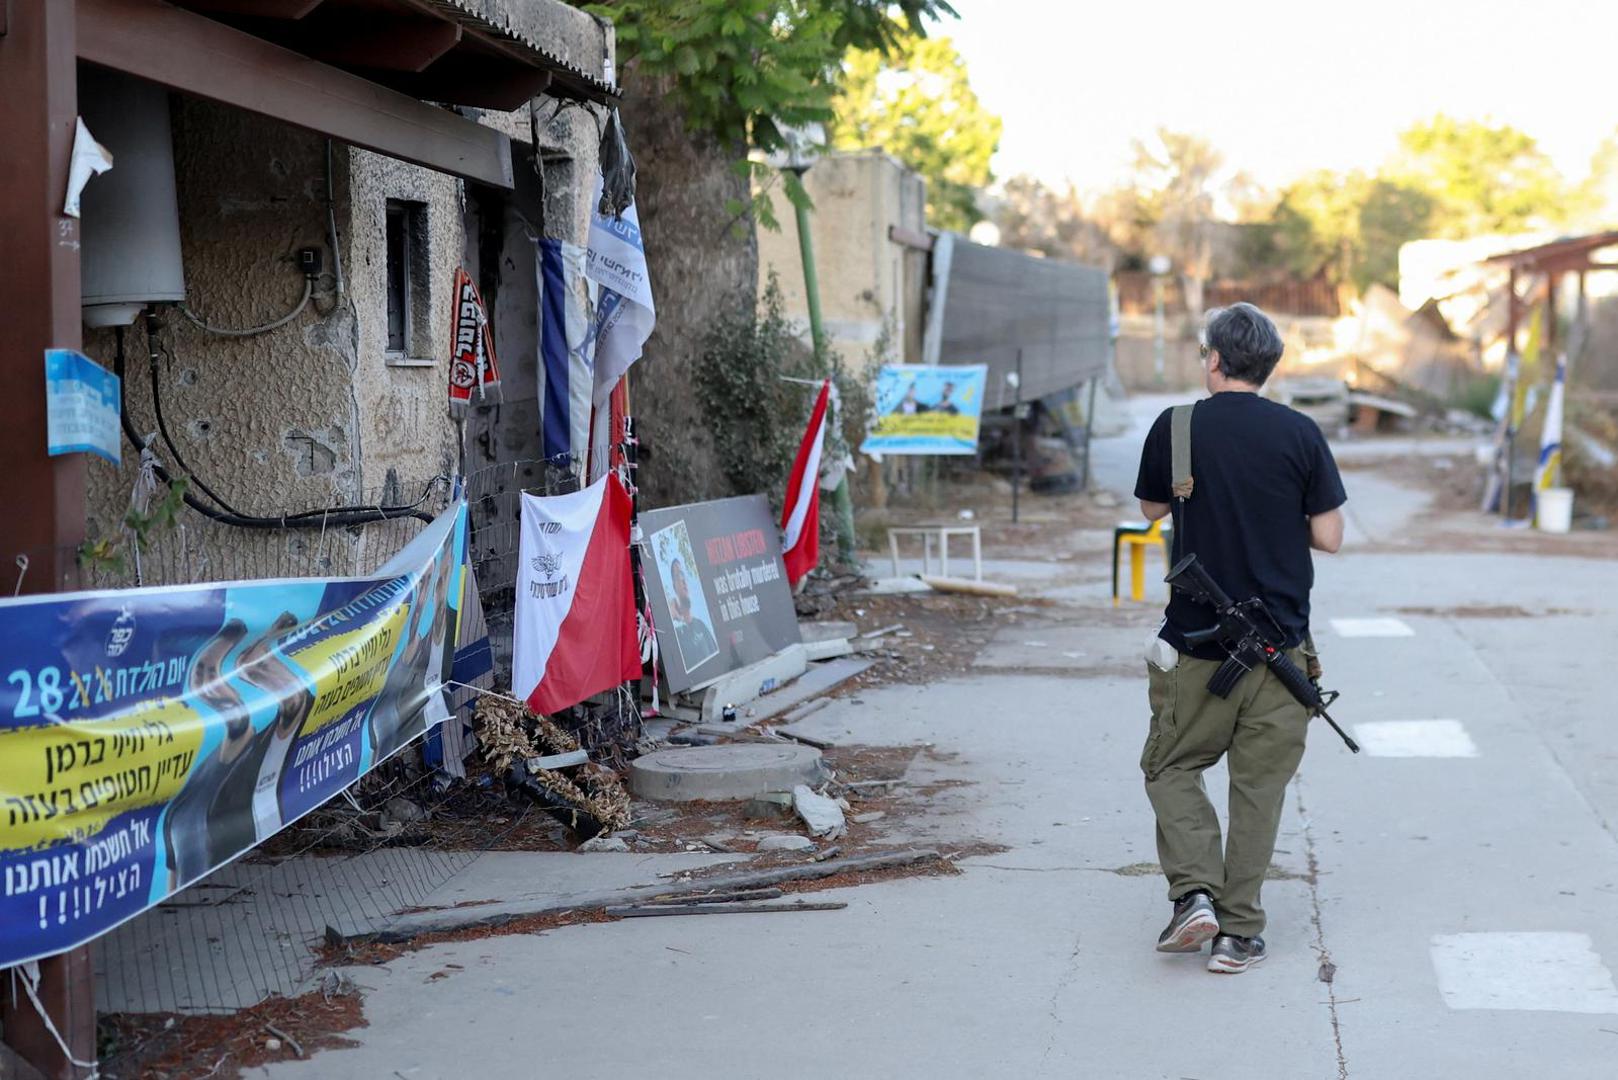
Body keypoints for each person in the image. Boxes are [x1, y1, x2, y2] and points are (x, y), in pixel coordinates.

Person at [1133, 302, 1346, 975]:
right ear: (1269, 365)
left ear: (1215, 359)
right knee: (1258, 791)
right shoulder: (1301, 432)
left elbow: (1151, 510)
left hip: (1198, 649)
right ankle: (1238, 935)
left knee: (1169, 766)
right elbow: (1330, 537)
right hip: (1283, 653)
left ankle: (1194, 892)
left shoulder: (1178, 426)